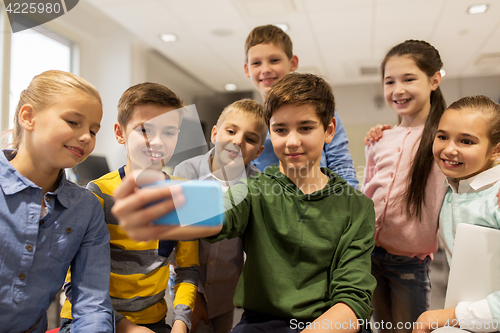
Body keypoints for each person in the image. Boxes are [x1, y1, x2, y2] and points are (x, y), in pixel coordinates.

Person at [113, 73, 377, 333]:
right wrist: (169, 208)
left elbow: (353, 298)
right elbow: (223, 214)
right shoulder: (255, 189)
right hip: (262, 323)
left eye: (305, 128)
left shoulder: (357, 207)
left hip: (332, 323)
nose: (292, 141)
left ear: (328, 130)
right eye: (281, 130)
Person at [59, 83, 199, 333]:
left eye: (169, 132)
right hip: (91, 318)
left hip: (152, 321)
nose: (157, 142)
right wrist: (126, 328)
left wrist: (181, 324)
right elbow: (77, 280)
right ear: (120, 133)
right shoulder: (98, 194)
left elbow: (188, 271)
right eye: (144, 130)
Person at [0, 70, 114, 332]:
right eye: (74, 122)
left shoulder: (86, 208)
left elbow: (92, 303)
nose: (86, 136)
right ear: (28, 117)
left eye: (93, 130)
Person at [361, 40, 448, 333]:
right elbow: (368, 190)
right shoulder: (381, 138)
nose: (398, 89)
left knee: (410, 330)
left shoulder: (444, 139)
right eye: (389, 81)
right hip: (371, 254)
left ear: (434, 79)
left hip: (410, 263)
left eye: (409, 79)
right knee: (381, 328)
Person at [173, 99, 266, 333]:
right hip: (187, 290)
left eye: (250, 139)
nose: (237, 141)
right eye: (231, 131)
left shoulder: (259, 184)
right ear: (215, 133)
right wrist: (195, 297)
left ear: (258, 151)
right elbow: (181, 241)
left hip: (228, 295)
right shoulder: (187, 173)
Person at [413, 95, 500, 333]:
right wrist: (382, 135)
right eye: (442, 136)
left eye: (466, 141)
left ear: (496, 150)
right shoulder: (452, 183)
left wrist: (453, 317)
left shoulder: (495, 198)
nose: (449, 149)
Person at [244, 24, 359, 188]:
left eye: (274, 60)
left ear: (293, 63)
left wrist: (350, 204)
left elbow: (341, 162)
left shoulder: (319, 110)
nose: (266, 69)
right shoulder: (249, 122)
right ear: (246, 69)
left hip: (319, 203)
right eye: (256, 63)